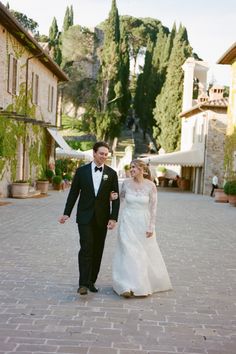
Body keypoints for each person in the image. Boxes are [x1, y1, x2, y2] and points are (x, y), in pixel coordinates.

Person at [59, 141, 120, 295]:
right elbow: (73, 193)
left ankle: (91, 281)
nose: (104, 157)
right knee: (86, 247)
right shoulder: (81, 171)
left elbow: (116, 197)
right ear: (94, 153)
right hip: (84, 217)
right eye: (101, 153)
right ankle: (83, 284)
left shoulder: (112, 174)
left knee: (98, 249)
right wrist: (67, 212)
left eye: (106, 154)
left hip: (102, 218)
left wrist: (113, 218)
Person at [112, 159, 172, 298]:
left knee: (141, 253)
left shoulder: (151, 186)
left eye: (134, 167)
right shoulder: (126, 184)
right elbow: (119, 200)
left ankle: (139, 284)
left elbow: (153, 208)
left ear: (141, 169)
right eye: (130, 167)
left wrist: (151, 226)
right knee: (128, 252)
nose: (131, 169)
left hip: (143, 223)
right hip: (127, 221)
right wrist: (112, 197)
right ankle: (126, 285)